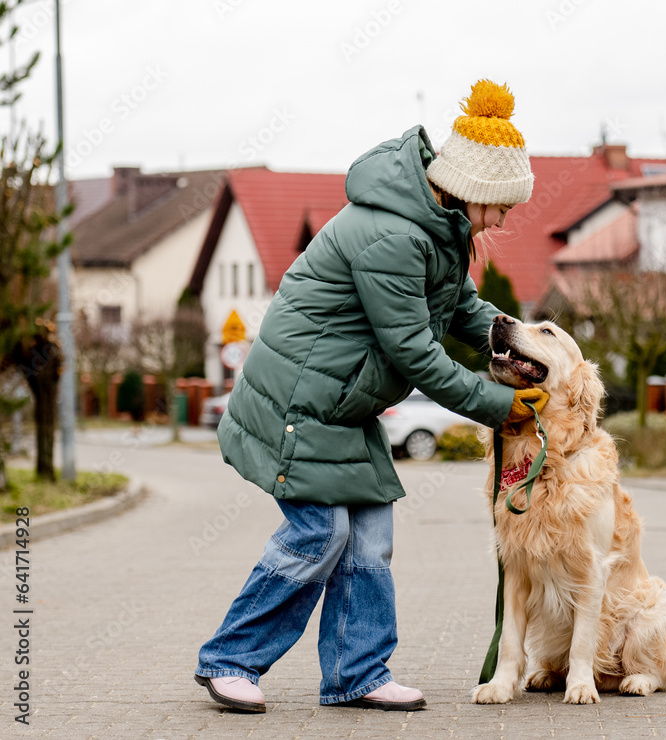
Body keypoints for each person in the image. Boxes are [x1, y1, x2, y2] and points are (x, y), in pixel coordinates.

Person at [194, 80, 548, 713]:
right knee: (319, 533)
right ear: (471, 191)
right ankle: (231, 659)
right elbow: (415, 351)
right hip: (297, 403)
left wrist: (524, 352)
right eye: (499, 207)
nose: (501, 221)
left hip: (343, 405)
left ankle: (357, 673)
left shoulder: (441, 232)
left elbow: (463, 308)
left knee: (370, 538)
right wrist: (500, 405)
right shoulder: (394, 235)